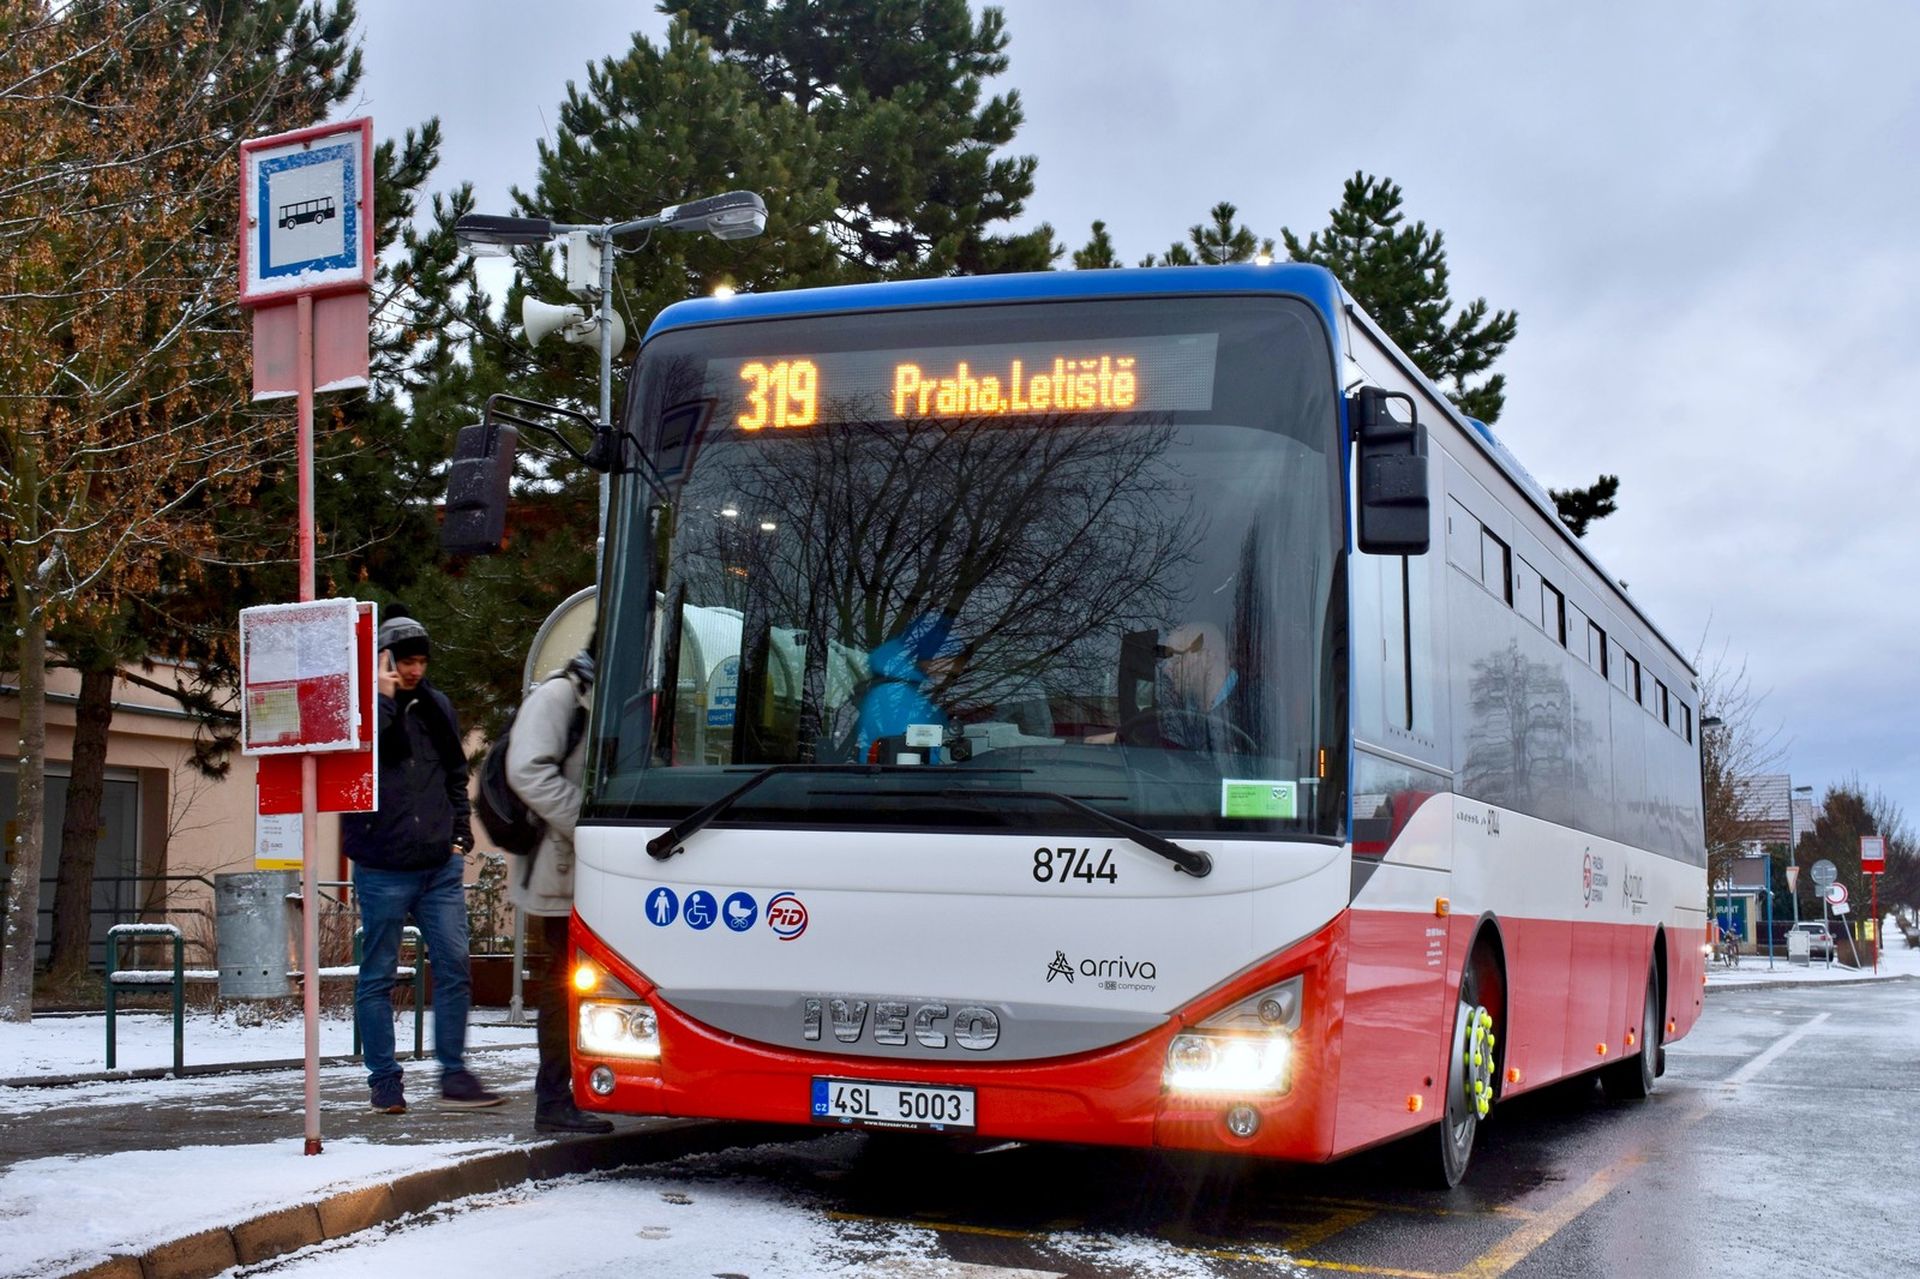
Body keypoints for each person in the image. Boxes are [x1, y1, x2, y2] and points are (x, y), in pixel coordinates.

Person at [341, 606, 502, 1114]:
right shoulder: (362, 709)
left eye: (420, 661)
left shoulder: (438, 708)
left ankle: (454, 1074)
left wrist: (460, 835)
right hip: (381, 865)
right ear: (383, 659)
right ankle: (384, 1081)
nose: (413, 670)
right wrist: (384, 701)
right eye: (403, 660)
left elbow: (456, 775)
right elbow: (366, 759)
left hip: (438, 866)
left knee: (455, 965)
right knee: (378, 976)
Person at [504, 648, 613, 1134]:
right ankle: (553, 1098)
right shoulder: (560, 695)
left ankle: (571, 1091)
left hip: (594, 865)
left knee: (578, 983)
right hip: (561, 865)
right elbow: (527, 771)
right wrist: (587, 824)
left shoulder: (605, 696)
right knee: (564, 984)